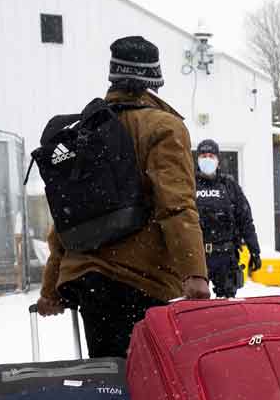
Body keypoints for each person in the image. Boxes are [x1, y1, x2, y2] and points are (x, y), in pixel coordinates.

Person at [37, 36, 210, 357]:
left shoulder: (85, 129)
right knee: (143, 384)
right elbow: (175, 205)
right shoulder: (163, 127)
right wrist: (195, 273)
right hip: (140, 277)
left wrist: (50, 289)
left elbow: (66, 217)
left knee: (109, 381)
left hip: (86, 279)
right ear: (153, 79)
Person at [193, 138, 261, 298]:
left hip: (225, 256)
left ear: (218, 159)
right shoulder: (189, 185)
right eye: (203, 155)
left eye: (211, 155)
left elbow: (245, 220)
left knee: (227, 307)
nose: (207, 159)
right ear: (197, 159)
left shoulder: (229, 186)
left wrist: (255, 251)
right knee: (195, 306)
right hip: (197, 257)